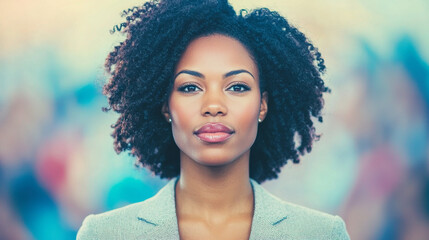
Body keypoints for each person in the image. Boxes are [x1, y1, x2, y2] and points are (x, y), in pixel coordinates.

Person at [77, 0, 350, 239]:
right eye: (190, 87)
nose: (214, 106)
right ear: (165, 106)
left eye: (237, 87)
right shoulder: (105, 235)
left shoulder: (321, 234)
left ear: (263, 105)